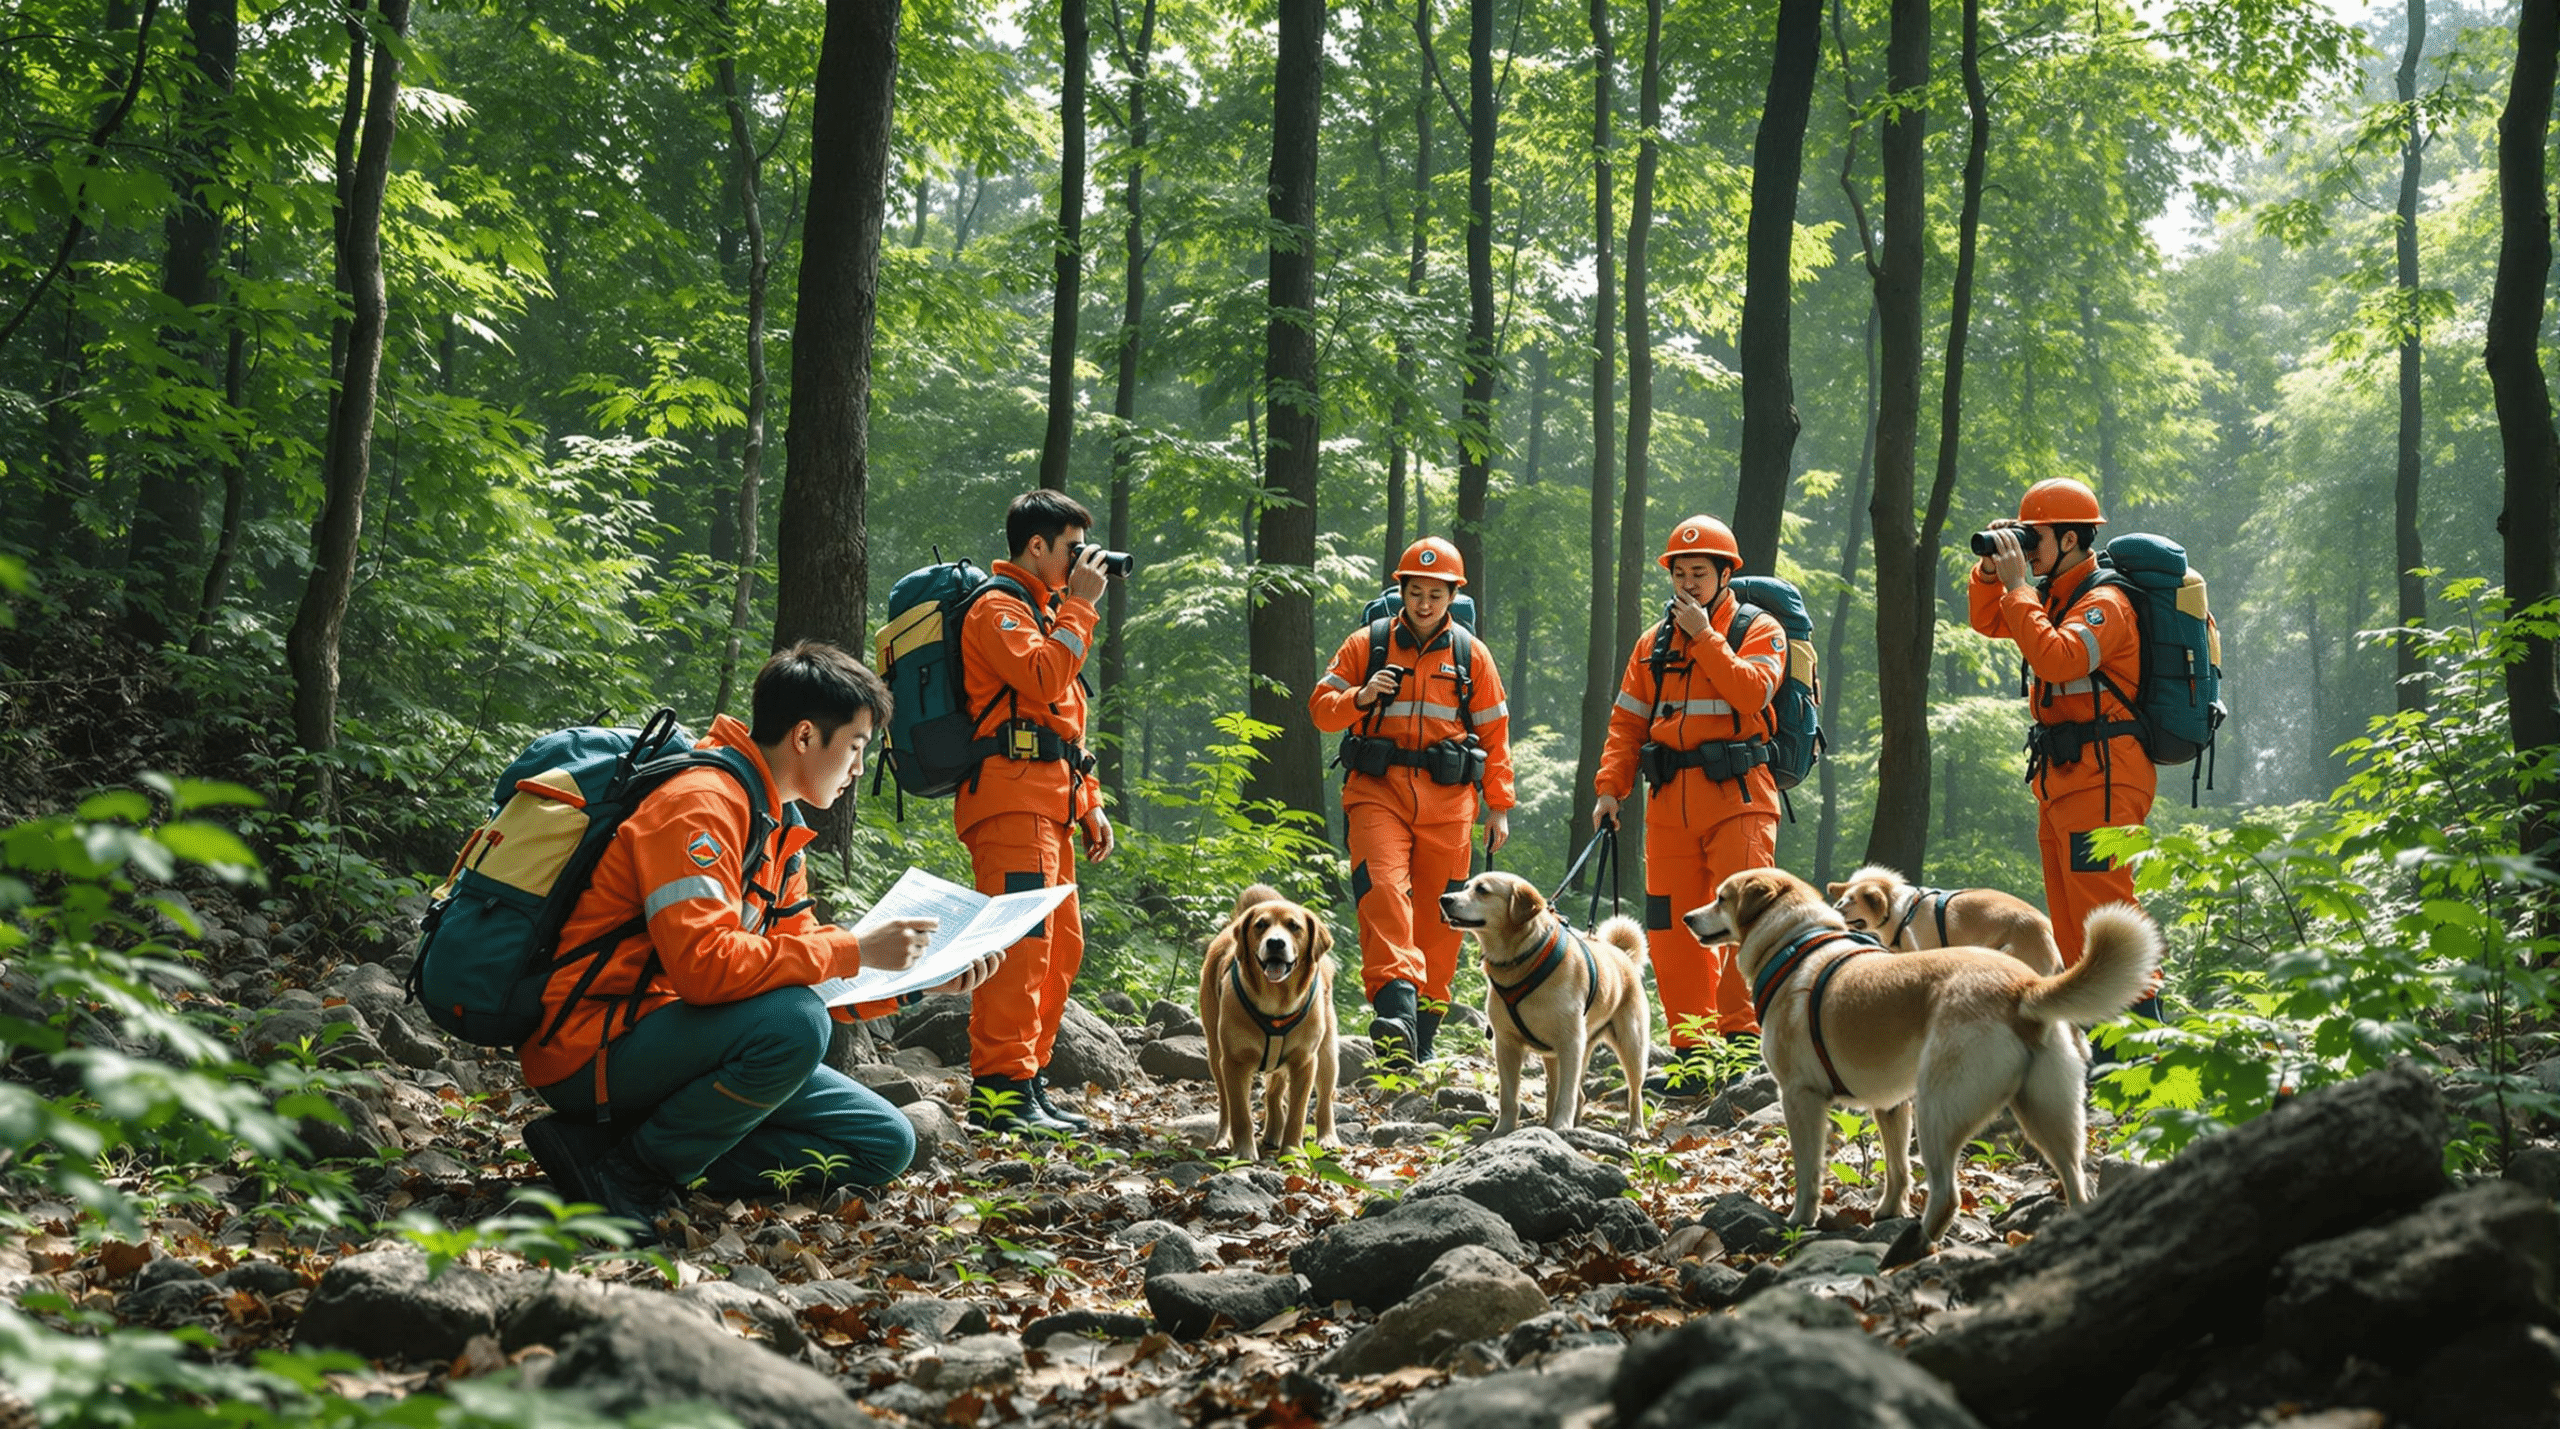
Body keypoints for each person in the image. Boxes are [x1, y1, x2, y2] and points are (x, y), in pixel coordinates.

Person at [517, 641, 1000, 1242]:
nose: (857, 770)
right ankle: (631, 1174)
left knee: (885, 1143)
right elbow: (704, 968)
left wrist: (919, 982)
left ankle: (608, 1150)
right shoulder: (700, 805)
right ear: (803, 737)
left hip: (683, 1040)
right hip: (592, 1047)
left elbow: (804, 971)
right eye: (853, 748)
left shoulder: (774, 826)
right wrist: (855, 947)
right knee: (794, 1025)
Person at [1593, 516, 1786, 1095]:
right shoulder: (1652, 644)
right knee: (1673, 931)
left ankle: (1744, 1047)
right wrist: (1609, 788)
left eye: (1699, 572)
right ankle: (1690, 1056)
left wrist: (1706, 636)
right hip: (1668, 804)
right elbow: (1628, 721)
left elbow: (1752, 691)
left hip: (1739, 798)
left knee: (1742, 922)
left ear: (1725, 574)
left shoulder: (1760, 629)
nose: (1688, 582)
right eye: (1680, 572)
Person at [1308, 537, 1515, 1066]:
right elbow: (1321, 710)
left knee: (1445, 917)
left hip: (1450, 805)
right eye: (1415, 592)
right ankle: (1394, 1009)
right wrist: (1361, 696)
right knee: (1382, 891)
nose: (1424, 604)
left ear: (1452, 597)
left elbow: (1494, 734)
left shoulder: (1472, 655)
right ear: (1401, 590)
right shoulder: (1366, 644)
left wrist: (1499, 805)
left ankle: (1419, 1036)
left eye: (1435, 594)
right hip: (1377, 794)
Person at [1966, 477, 2160, 1017]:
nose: (2027, 550)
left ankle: (2147, 1043)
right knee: (2074, 925)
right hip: (2065, 776)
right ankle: (2100, 1043)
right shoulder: (2054, 596)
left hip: (2106, 774)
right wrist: (1992, 573)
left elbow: (2059, 660)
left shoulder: (2106, 602)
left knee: (2107, 914)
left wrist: (2017, 588)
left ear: (2072, 538)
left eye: (2036, 538)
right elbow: (1986, 620)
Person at [957, 489, 1116, 1134]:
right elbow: (1045, 680)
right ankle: (998, 1095)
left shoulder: (1047, 611)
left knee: (1061, 949)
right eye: (1074, 550)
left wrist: (1091, 804)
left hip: (1050, 804)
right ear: (1037, 547)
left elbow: (1060, 727)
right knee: (1019, 949)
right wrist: (1080, 605)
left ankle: (1027, 1080)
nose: (1085, 563)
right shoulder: (997, 610)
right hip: (1008, 803)